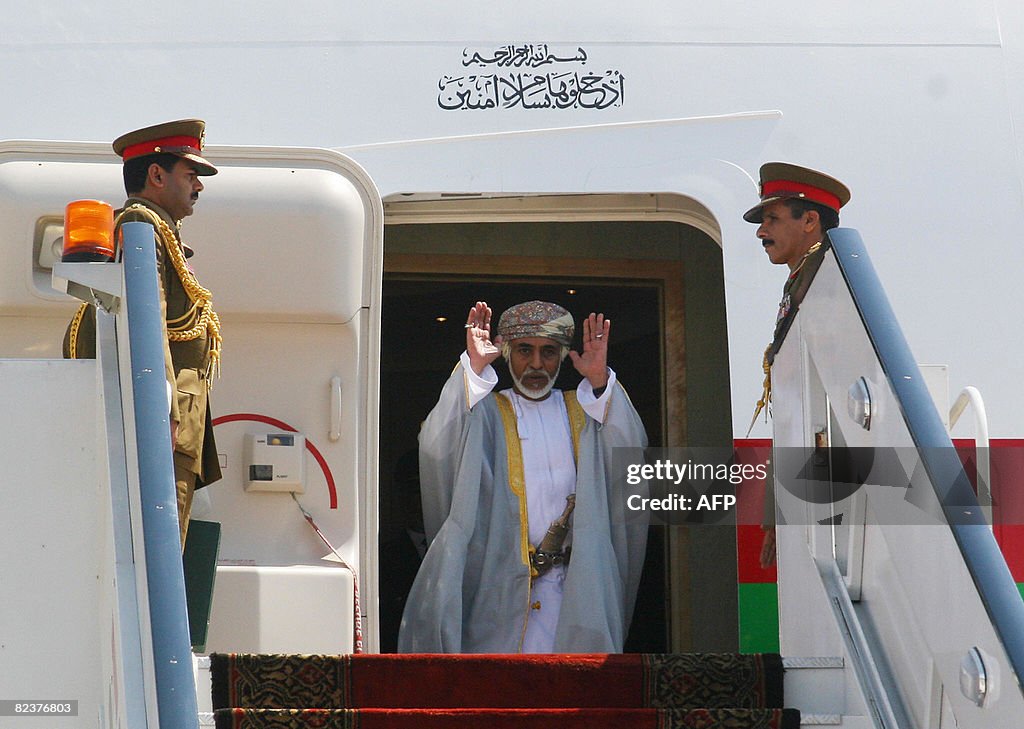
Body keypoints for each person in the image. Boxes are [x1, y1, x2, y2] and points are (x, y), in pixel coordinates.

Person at [398, 300, 648, 653]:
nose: (535, 364)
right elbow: (437, 446)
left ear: (562, 357)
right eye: (524, 351)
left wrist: (600, 383)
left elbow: (630, 456)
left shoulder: (585, 412)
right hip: (496, 592)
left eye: (548, 352)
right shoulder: (486, 412)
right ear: (507, 353)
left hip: (573, 592)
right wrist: (472, 369)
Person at [64, 119, 223, 547]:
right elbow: (144, 323)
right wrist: (161, 410)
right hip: (165, 425)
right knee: (157, 554)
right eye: (190, 175)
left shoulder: (159, 230)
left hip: (173, 425)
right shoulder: (141, 226)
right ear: (157, 174)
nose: (199, 187)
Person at [744, 162, 851, 566]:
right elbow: (795, 408)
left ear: (809, 220)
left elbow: (827, 402)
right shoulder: (804, 279)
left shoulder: (826, 279)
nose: (760, 231)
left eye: (771, 218)